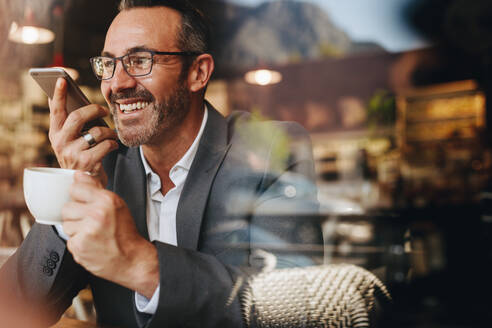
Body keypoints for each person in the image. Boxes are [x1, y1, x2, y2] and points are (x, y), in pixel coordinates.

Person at [0, 1, 322, 327]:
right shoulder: (101, 168)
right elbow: (12, 308)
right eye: (108, 64)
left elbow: (296, 310)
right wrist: (68, 190)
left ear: (198, 73)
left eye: (140, 60)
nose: (117, 84)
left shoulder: (268, 152)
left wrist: (142, 264)